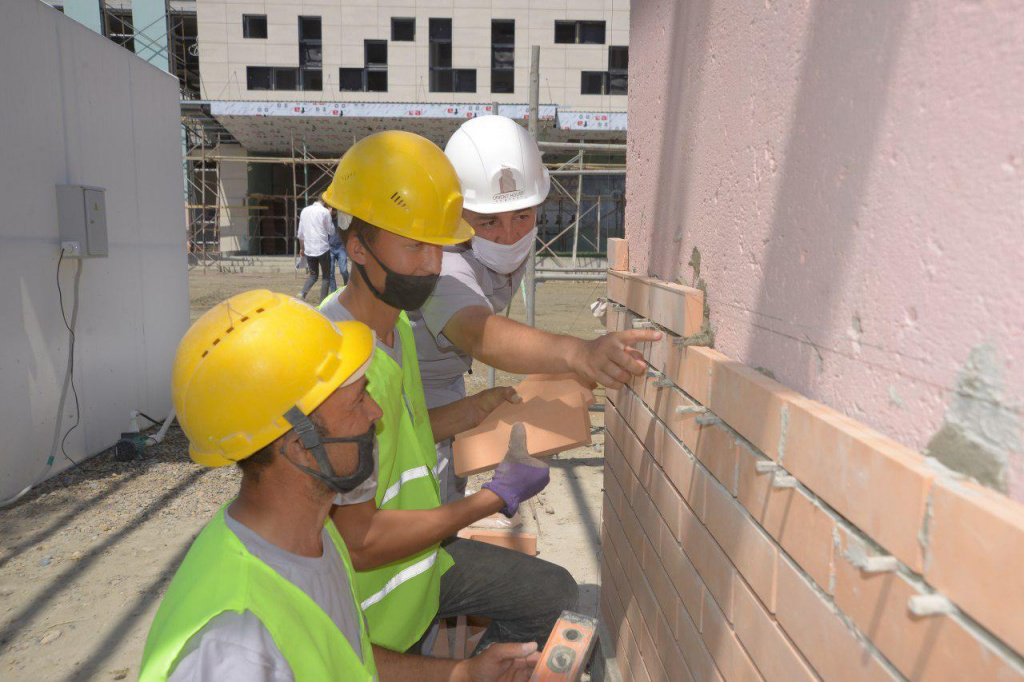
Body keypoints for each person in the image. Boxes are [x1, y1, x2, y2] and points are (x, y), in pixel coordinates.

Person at [139, 290, 542, 681]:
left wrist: (462, 674)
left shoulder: (316, 535)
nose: (376, 411)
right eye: (357, 402)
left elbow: (350, 659)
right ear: (299, 445)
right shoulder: (235, 646)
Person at [318, 130, 578, 656]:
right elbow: (362, 543)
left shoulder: (394, 330)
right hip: (371, 600)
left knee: (553, 594)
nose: (431, 264)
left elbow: (405, 434)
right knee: (544, 604)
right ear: (357, 247)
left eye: (438, 245)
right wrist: (494, 498)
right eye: (415, 245)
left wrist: (471, 411)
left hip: (418, 564)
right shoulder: (337, 359)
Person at [410, 115, 662, 503]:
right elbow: (479, 332)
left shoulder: (501, 243)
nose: (509, 235)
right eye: (489, 220)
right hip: (400, 397)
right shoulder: (437, 260)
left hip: (444, 387)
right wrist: (579, 353)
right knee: (412, 506)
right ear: (456, 212)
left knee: (444, 493)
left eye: (523, 217)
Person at [297, 197, 335, 303]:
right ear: (326, 202)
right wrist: (330, 214)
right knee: (326, 276)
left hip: (309, 248)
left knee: (313, 275)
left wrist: (302, 248)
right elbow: (331, 231)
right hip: (323, 247)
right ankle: (322, 300)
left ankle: (302, 293)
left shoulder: (305, 211)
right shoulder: (325, 212)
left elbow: (300, 233)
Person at [327, 208, 352, 293]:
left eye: (334, 210)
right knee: (330, 272)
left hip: (341, 248)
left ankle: (347, 288)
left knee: (343, 270)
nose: (333, 212)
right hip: (330, 248)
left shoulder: (341, 219)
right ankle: (333, 292)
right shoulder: (326, 218)